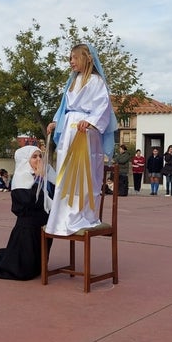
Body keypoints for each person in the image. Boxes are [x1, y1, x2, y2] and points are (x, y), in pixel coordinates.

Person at [44, 43, 117, 236]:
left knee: (83, 175)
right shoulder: (72, 81)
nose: (71, 62)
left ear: (85, 58)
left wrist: (91, 122)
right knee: (65, 171)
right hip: (68, 128)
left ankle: (82, 215)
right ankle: (61, 217)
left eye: (74, 58)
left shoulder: (96, 81)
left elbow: (102, 107)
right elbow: (64, 107)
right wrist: (55, 121)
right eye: (70, 59)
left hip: (86, 132)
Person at [0, 146, 54, 280]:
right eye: (34, 157)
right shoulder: (21, 178)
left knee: (37, 268)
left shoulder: (46, 176)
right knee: (21, 272)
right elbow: (30, 202)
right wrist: (39, 179)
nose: (39, 160)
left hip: (42, 225)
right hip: (27, 229)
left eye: (40, 156)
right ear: (25, 160)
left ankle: (2, 255)